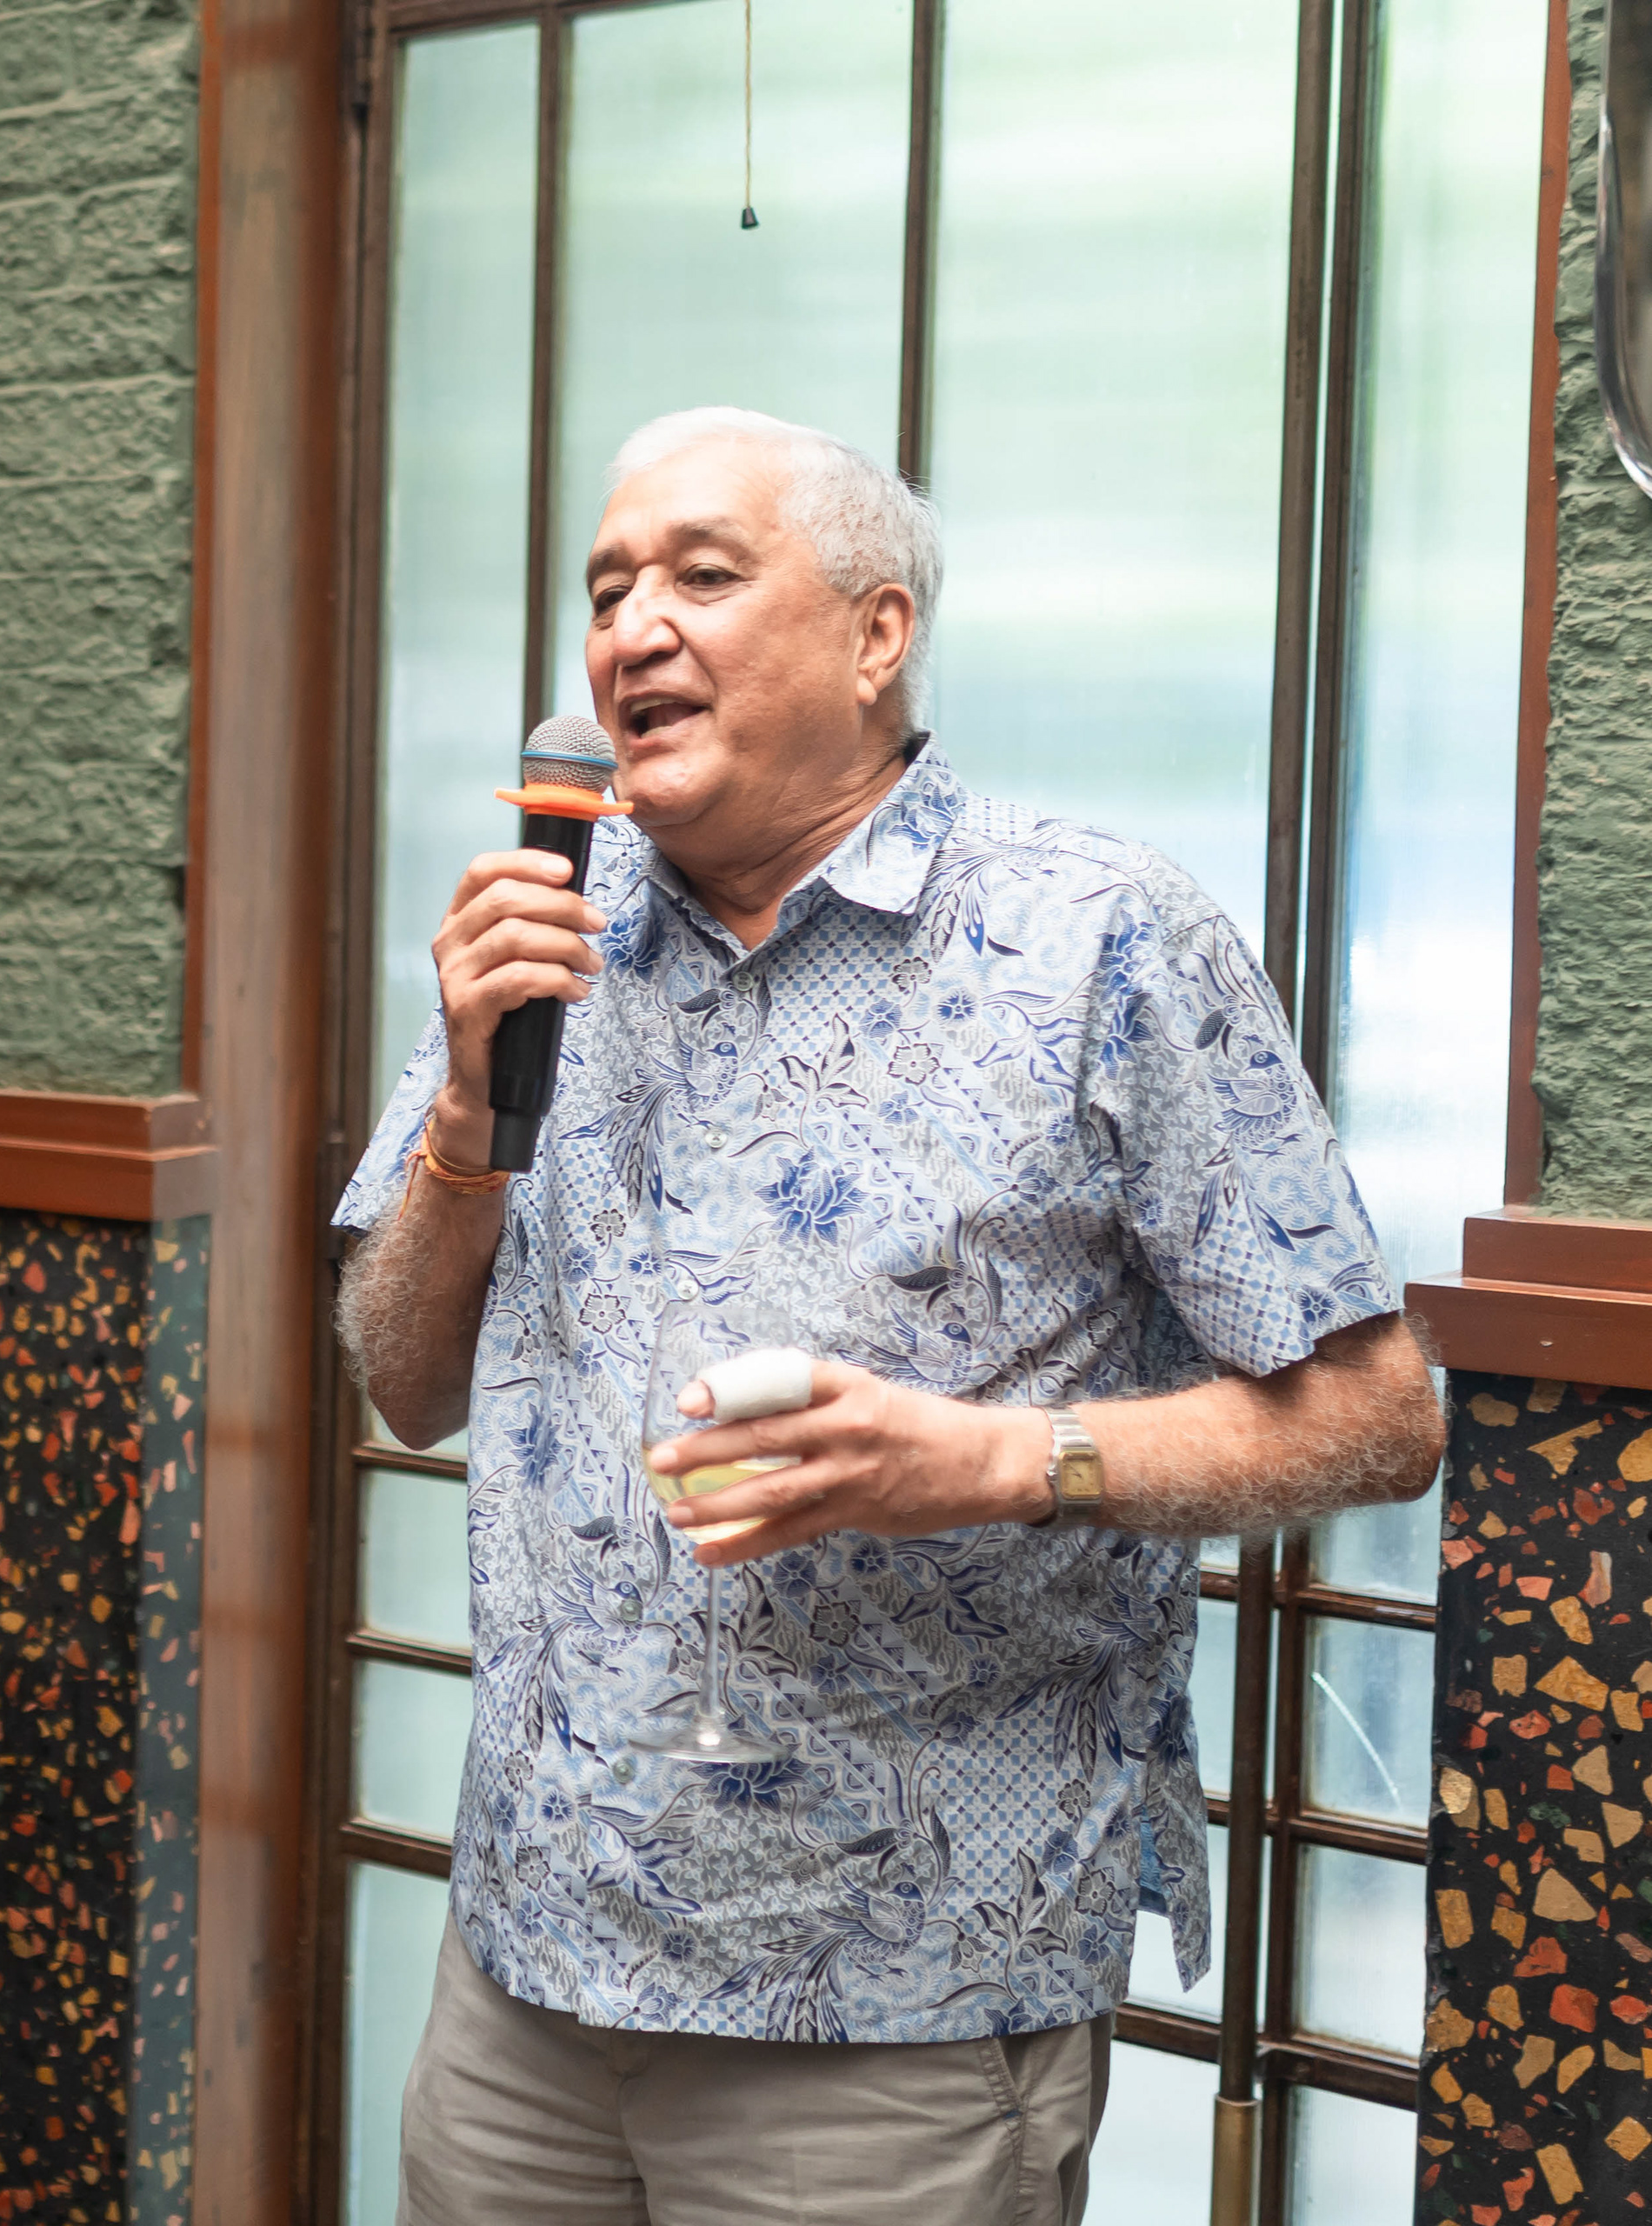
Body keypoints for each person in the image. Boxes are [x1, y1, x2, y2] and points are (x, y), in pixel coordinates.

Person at [332, 405, 1443, 2226]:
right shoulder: (550, 929)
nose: (630, 627)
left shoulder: (1098, 939)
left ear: (876, 635)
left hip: (895, 2008)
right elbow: (405, 1379)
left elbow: (1379, 1419)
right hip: (526, 1970)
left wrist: (993, 1461)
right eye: (606, 590)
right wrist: (466, 1116)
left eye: (702, 574)